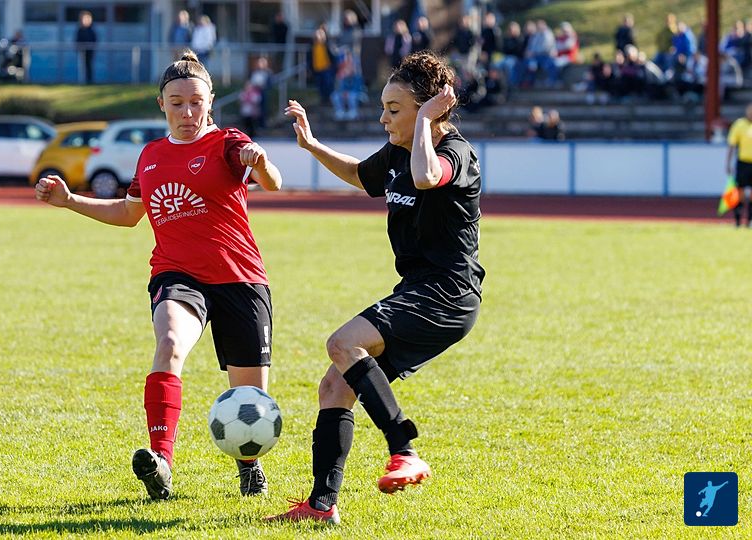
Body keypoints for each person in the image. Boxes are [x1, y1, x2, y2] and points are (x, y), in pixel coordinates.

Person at [34, 50, 284, 500]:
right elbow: (130, 214)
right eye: (176, 103)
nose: (187, 112)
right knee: (168, 345)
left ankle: (249, 465)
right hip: (177, 273)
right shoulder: (150, 156)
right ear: (161, 104)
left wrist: (259, 160)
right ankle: (162, 463)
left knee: (249, 400)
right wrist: (70, 201)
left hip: (240, 278)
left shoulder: (228, 142)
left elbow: (273, 183)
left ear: (209, 102)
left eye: (195, 102)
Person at [269, 50, 484, 524]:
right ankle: (321, 506)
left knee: (341, 344)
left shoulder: (455, 154)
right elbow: (359, 173)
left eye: (394, 109)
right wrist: (311, 145)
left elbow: (428, 178)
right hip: (420, 288)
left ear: (430, 109)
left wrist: (427, 119)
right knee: (334, 385)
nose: (382, 118)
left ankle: (404, 449)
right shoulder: (398, 152)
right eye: (384, 107)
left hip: (448, 292)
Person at [726, 103, 752, 227]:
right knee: (739, 192)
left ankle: (750, 221)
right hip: (743, 163)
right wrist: (728, 163)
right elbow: (732, 145)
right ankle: (737, 220)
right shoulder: (739, 124)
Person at [75, 10, 98, 84]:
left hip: (90, 51)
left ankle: (89, 81)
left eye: (88, 18)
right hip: (82, 51)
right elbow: (77, 40)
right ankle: (82, 81)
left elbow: (95, 40)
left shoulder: (92, 30)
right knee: (82, 66)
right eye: (85, 18)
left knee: (89, 66)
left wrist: (91, 46)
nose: (87, 20)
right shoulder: (80, 30)